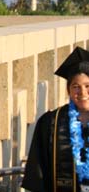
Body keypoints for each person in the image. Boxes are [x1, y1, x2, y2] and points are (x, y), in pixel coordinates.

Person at [23, 47, 89, 191]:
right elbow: (38, 172)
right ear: (68, 90)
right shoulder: (51, 122)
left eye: (87, 86)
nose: (82, 92)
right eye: (76, 86)